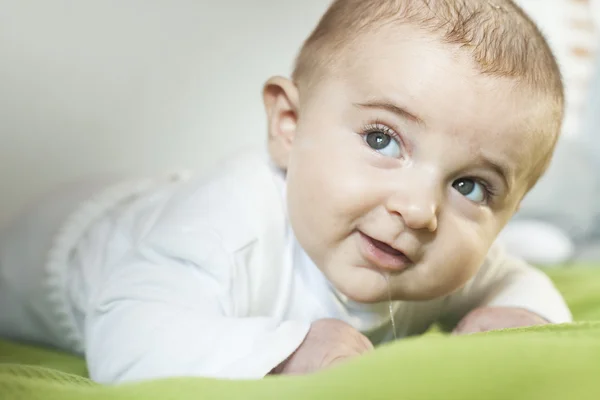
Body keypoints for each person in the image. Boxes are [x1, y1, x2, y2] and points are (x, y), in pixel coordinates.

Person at [0, 0, 572, 384]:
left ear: (508, 212)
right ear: (289, 125)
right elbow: (124, 335)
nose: (419, 210)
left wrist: (516, 313)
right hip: (52, 244)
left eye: (470, 186)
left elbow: (513, 278)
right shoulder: (226, 233)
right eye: (383, 139)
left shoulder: (439, 249)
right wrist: (293, 349)